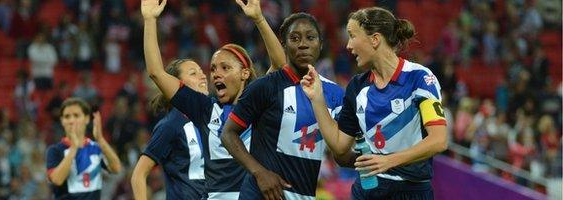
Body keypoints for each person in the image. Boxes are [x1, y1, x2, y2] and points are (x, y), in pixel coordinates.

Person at [140, 0, 286, 198]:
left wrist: (259, 19)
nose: (215, 74)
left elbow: (279, 64)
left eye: (225, 68)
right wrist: (149, 20)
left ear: (244, 73)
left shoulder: (257, 101)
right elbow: (156, 72)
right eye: (213, 69)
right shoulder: (204, 108)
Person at [299, 7, 448, 199]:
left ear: (374, 39)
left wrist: (389, 161)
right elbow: (339, 146)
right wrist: (317, 98)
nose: (348, 46)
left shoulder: (419, 78)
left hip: (411, 191)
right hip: (368, 190)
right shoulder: (357, 87)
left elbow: (439, 140)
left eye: (352, 36)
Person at [221, 7, 345, 200]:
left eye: (310, 38)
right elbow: (228, 134)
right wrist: (259, 173)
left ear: (320, 44)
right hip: (260, 194)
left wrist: (384, 159)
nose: (303, 44)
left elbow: (341, 153)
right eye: (294, 39)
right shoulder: (264, 86)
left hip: (304, 194)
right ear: (284, 45)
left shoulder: (335, 94)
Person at [130, 58, 210, 200]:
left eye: (201, 71)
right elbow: (139, 174)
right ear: (176, 84)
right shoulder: (170, 125)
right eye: (193, 73)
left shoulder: (213, 117)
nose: (203, 76)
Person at [46, 98, 123, 199]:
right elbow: (57, 180)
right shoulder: (55, 150)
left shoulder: (95, 148)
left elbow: (116, 169)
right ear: (62, 121)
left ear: (86, 118)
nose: (71, 121)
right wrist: (74, 147)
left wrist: (100, 139)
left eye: (76, 116)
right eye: (67, 117)